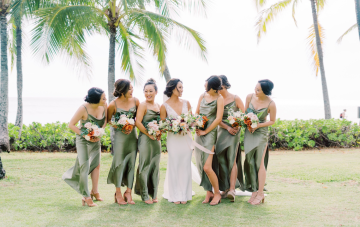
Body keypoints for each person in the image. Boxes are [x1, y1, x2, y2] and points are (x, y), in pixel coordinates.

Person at [62, 87, 107, 207]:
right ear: (96, 99)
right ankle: (86, 196)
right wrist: (86, 135)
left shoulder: (104, 105)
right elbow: (71, 125)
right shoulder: (83, 108)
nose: (105, 99)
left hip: (96, 139)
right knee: (85, 166)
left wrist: (99, 132)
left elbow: (105, 120)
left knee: (96, 165)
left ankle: (95, 191)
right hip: (83, 140)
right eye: (103, 98)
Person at [243, 79, 277, 205]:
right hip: (249, 132)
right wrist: (248, 124)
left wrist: (258, 126)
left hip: (261, 133)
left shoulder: (271, 104)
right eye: (255, 88)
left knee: (259, 163)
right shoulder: (249, 97)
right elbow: (245, 114)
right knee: (249, 162)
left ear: (265, 91)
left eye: (258, 90)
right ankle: (253, 192)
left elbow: (272, 121)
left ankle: (261, 192)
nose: (255, 91)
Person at [107, 79, 139, 205]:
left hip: (132, 137)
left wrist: (132, 125)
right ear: (123, 90)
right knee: (119, 164)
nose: (132, 91)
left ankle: (129, 192)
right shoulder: (112, 105)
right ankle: (118, 193)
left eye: (132, 88)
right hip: (120, 138)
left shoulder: (136, 101)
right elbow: (109, 121)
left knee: (132, 163)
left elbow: (139, 118)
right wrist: (121, 126)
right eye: (130, 88)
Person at [161, 78, 193, 204]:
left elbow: (191, 120)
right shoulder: (164, 106)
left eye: (182, 87)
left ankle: (184, 194)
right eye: (179, 87)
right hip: (173, 139)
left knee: (185, 165)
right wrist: (174, 126)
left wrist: (186, 125)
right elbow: (163, 125)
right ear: (172, 88)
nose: (181, 90)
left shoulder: (187, 103)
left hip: (186, 138)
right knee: (174, 164)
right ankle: (175, 195)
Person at [194, 75, 224, 206]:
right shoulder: (202, 96)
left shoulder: (219, 98)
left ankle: (217, 193)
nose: (204, 87)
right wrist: (197, 123)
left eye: (206, 85)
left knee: (207, 166)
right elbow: (197, 112)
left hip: (210, 134)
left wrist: (206, 130)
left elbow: (218, 119)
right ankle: (208, 191)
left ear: (212, 87)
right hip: (199, 133)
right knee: (201, 164)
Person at [216, 75, 245, 202]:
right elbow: (216, 118)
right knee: (220, 158)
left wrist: (236, 127)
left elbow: (244, 115)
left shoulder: (235, 98)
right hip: (222, 131)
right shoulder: (217, 99)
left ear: (224, 84)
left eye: (219, 85)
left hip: (234, 132)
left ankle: (232, 189)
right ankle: (226, 188)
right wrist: (227, 128)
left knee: (231, 159)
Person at [134, 79, 161, 204]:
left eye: (151, 91)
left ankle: (154, 194)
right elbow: (138, 122)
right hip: (145, 138)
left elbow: (161, 122)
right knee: (145, 165)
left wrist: (159, 132)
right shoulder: (143, 105)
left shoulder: (158, 106)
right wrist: (148, 134)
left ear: (156, 91)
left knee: (155, 166)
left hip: (156, 140)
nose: (148, 93)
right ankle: (144, 195)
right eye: (145, 91)